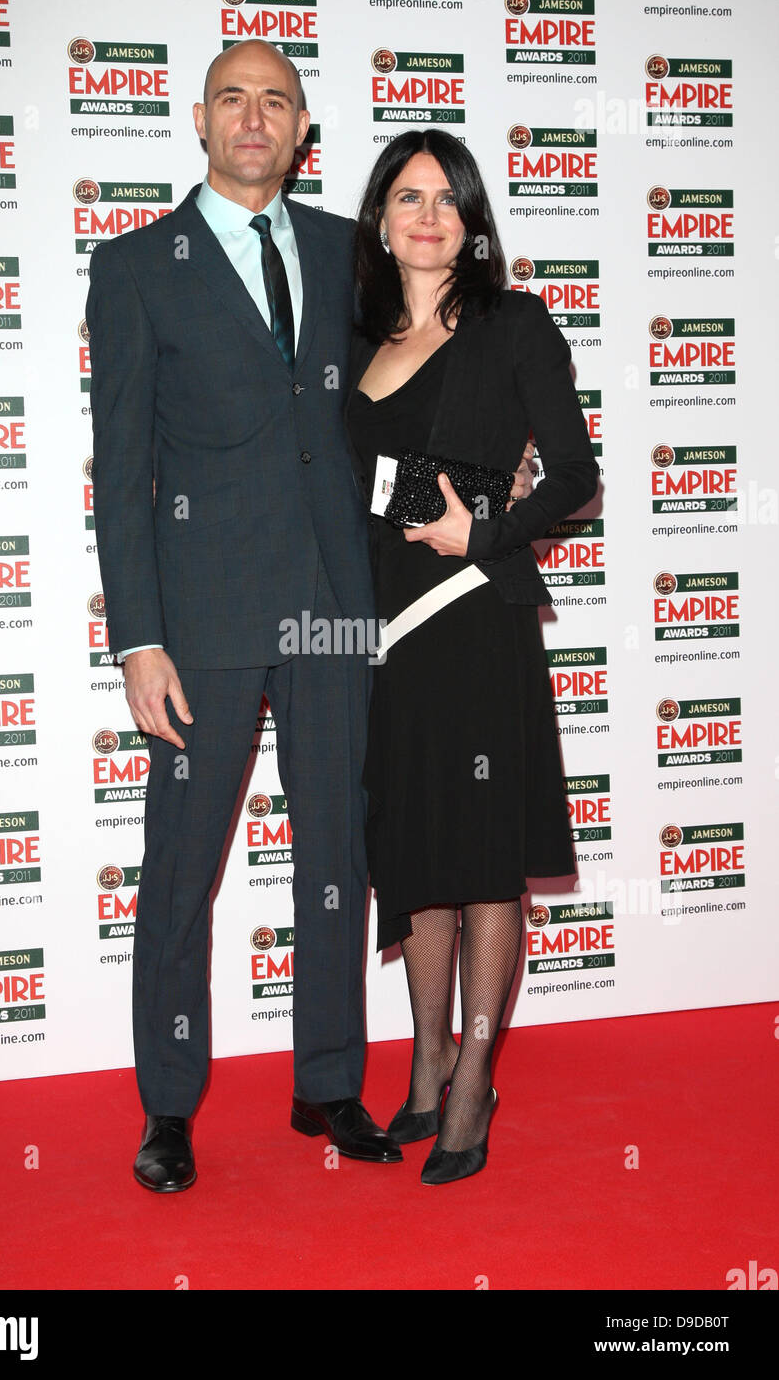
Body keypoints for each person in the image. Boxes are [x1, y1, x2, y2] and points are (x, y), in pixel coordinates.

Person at [87, 44, 532, 1193]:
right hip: (204, 625)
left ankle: (328, 1081)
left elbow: (438, 351)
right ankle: (171, 1106)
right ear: (198, 119)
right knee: (182, 867)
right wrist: (137, 639)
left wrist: (496, 499)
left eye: (275, 101)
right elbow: (121, 468)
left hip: (341, 611)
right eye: (233, 97)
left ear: (301, 133)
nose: (253, 117)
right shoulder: (139, 266)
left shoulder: (346, 250)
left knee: (338, 848)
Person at [345, 130, 599, 1185]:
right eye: (407, 196)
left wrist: (481, 533)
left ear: (473, 218)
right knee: (419, 853)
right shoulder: (350, 335)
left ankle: (476, 1079)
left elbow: (574, 474)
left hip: (474, 616)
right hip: (383, 635)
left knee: (485, 858)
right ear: (379, 219)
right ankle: (427, 1061)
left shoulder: (512, 325)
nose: (428, 214)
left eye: (447, 198)